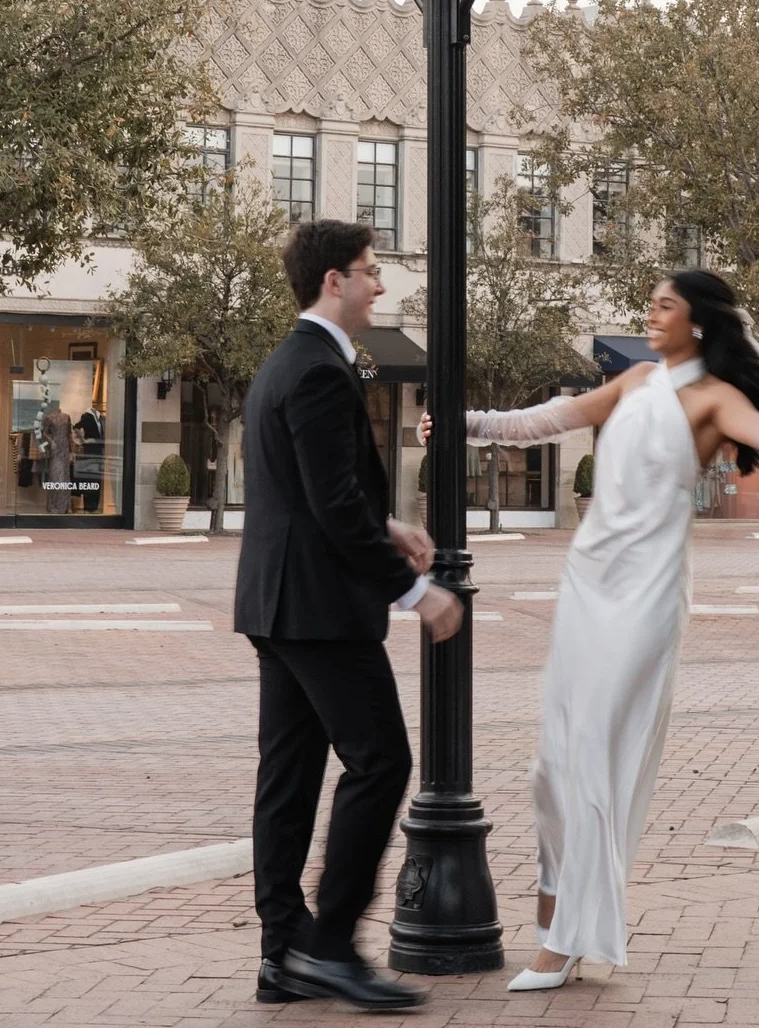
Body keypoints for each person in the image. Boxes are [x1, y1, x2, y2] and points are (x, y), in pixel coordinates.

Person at [421, 269, 759, 992]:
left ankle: (564, 945)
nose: (650, 314)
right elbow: (548, 419)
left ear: (699, 322)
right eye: (650, 303)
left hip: (645, 597)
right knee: (551, 768)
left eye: (664, 305)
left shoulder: (717, 399)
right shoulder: (636, 381)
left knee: (593, 756)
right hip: (587, 583)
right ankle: (559, 919)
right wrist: (463, 423)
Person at [234, 219, 464, 1013]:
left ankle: (282, 954)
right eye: (370, 271)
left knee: (289, 780)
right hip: (322, 610)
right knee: (382, 763)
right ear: (333, 280)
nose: (380, 283)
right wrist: (414, 592)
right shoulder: (322, 372)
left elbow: (314, 493)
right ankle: (330, 948)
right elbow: (329, 505)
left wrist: (390, 526)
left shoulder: (287, 364)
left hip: (279, 605)